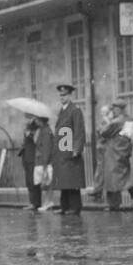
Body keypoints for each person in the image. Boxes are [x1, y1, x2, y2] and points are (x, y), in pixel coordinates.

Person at [50, 83, 87, 215]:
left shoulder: (75, 110)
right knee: (64, 180)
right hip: (61, 151)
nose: (62, 97)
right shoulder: (63, 111)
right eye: (60, 95)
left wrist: (76, 148)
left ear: (70, 95)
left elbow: (79, 131)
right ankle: (64, 206)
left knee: (71, 181)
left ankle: (75, 207)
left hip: (70, 151)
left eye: (64, 95)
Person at [99, 101, 132, 210]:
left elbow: (103, 132)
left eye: (114, 109)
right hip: (125, 150)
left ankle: (113, 204)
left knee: (112, 179)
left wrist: (107, 121)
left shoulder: (117, 121)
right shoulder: (131, 119)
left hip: (114, 152)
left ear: (119, 109)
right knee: (127, 177)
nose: (113, 111)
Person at [20, 114, 53, 210]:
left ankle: (37, 202)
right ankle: (33, 201)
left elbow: (38, 141)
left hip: (34, 157)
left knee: (39, 181)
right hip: (27, 156)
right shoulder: (30, 124)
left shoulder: (39, 127)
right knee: (30, 180)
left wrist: (30, 133)